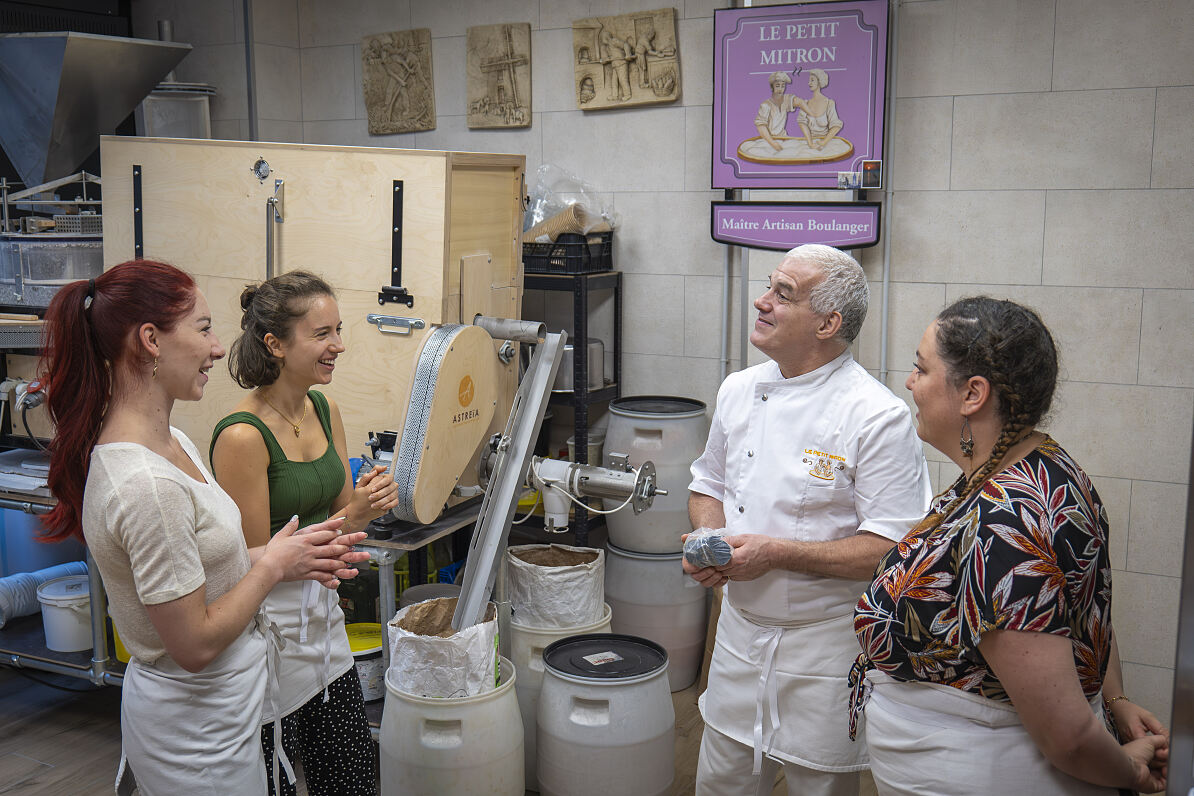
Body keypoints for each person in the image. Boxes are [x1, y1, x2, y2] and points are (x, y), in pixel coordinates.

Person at [39, 260, 368, 795]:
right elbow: (192, 644)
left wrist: (290, 552)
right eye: (203, 329)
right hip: (198, 734)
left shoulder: (176, 445)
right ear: (150, 340)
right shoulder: (146, 483)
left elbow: (218, 569)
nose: (219, 348)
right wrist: (274, 566)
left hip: (231, 707)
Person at [851, 297, 1169, 795]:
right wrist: (1116, 699)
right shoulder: (1044, 466)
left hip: (982, 774)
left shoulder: (1003, 526)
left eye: (921, 368)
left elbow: (1068, 739)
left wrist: (1131, 771)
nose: (910, 383)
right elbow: (1077, 613)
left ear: (973, 393)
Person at [685, 244, 931, 796]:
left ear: (828, 323)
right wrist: (709, 539)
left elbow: (893, 549)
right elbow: (708, 485)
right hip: (739, 634)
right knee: (719, 781)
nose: (761, 300)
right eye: (769, 286)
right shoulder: (739, 389)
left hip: (825, 649)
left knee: (818, 785)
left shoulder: (876, 415)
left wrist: (776, 553)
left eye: (782, 293)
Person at [210, 271, 399, 796]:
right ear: (275, 344)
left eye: (338, 331)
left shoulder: (324, 408)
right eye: (322, 334)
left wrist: (363, 506)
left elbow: (342, 524)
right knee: (278, 785)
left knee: (353, 780)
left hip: (324, 627)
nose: (338, 346)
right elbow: (253, 562)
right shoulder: (244, 437)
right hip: (268, 640)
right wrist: (351, 518)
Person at [796, 68, 843, 151]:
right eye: (809, 80)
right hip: (809, 144)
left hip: (826, 143)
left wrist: (823, 142)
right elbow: (802, 123)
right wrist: (810, 143)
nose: (809, 83)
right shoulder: (805, 103)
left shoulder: (829, 103)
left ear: (819, 81)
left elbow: (836, 126)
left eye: (812, 80)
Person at [754, 70, 800, 151]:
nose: (780, 89)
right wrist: (773, 143)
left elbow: (799, 102)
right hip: (768, 141)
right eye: (777, 86)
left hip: (783, 138)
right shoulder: (766, 105)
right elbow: (761, 126)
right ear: (772, 87)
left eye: (783, 86)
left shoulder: (785, 102)